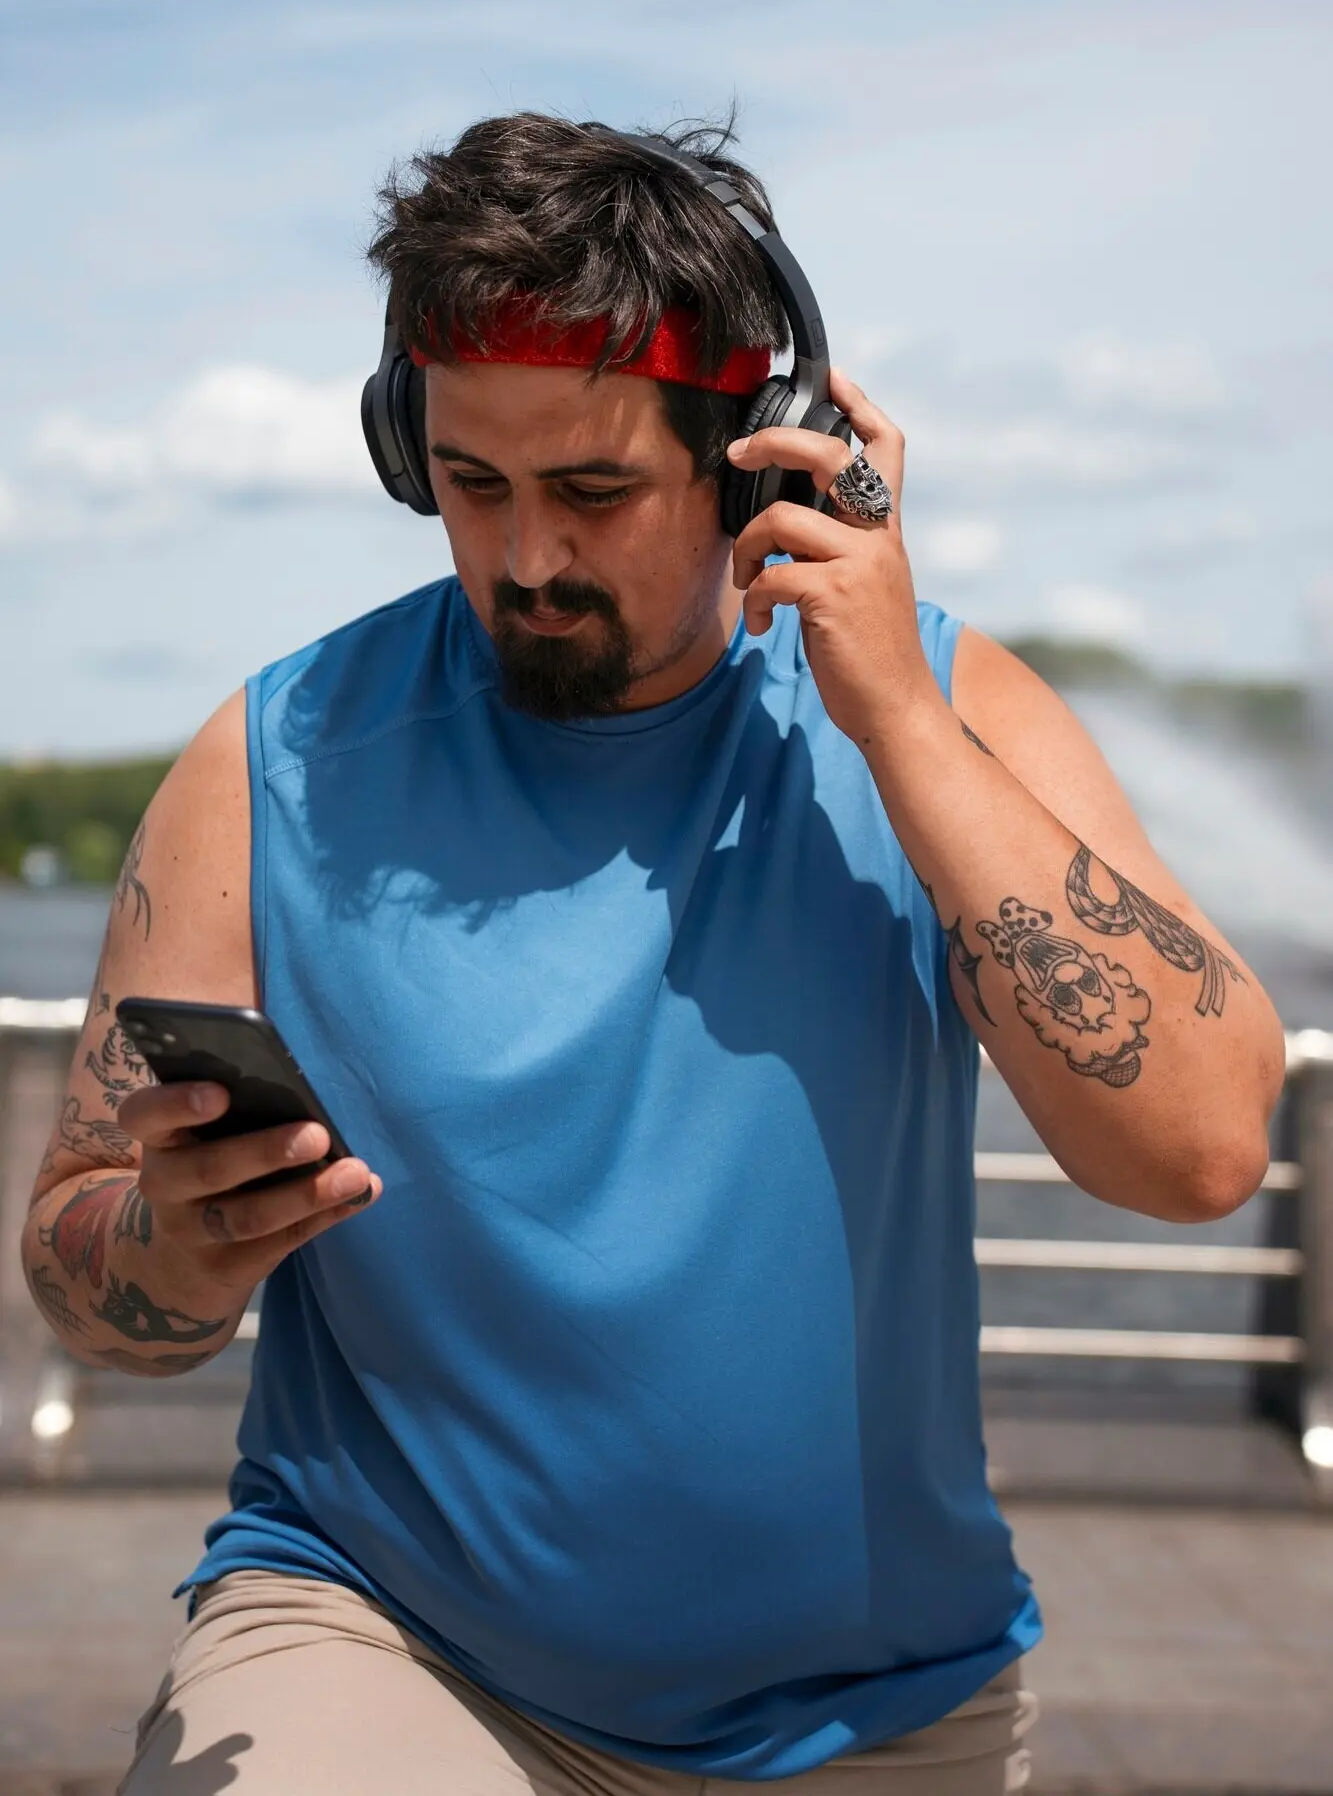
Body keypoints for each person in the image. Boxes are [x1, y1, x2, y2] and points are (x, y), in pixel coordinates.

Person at [23, 115, 1283, 1796]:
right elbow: (74, 1269)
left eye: (595, 491)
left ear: (767, 454)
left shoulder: (947, 711)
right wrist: (175, 1256)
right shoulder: (272, 760)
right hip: (394, 1642)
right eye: (472, 485)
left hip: (878, 1706)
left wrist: (891, 718)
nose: (526, 558)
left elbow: (1199, 1153)